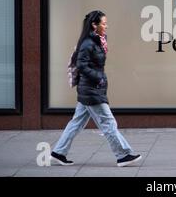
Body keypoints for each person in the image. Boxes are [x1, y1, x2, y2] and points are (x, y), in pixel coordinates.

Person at [51, 10, 142, 167]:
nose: (106, 26)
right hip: (91, 90)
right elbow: (81, 65)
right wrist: (98, 77)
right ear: (94, 25)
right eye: (104, 23)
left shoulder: (99, 40)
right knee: (108, 122)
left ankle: (58, 153)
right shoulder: (88, 44)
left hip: (91, 88)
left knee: (76, 123)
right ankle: (123, 155)